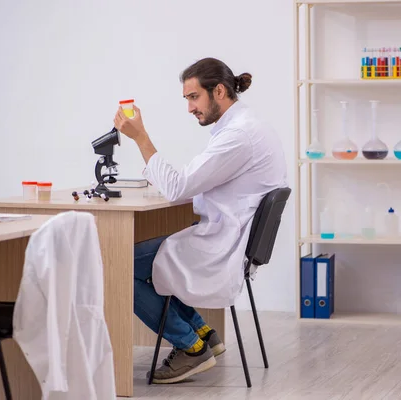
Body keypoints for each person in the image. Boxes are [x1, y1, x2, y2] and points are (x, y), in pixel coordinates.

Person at [113, 57, 288, 384]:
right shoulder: (245, 126)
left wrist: (141, 138)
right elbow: (192, 185)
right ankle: (202, 332)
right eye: (187, 99)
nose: (190, 107)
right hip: (230, 238)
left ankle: (191, 348)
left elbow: (179, 187)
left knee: (116, 266)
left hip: (221, 244)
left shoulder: (238, 136)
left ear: (219, 91)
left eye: (194, 97)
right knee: (147, 261)